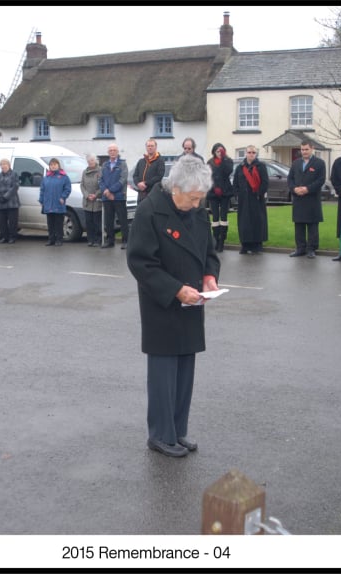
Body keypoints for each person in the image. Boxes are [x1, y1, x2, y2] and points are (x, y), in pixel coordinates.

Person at [126, 155, 220, 458]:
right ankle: (160, 435)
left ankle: (178, 432)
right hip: (163, 303)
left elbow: (209, 251)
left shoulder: (196, 209)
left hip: (193, 300)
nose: (196, 205)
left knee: (184, 372)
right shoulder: (149, 212)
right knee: (164, 373)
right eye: (192, 199)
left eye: (200, 199)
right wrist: (176, 290)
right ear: (175, 188)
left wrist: (209, 276)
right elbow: (140, 262)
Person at [287, 140, 326, 258]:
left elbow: (321, 180)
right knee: (299, 225)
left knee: (312, 225)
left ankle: (311, 249)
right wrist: (294, 189)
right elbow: (290, 179)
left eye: (306, 149)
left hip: (312, 199)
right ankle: (300, 248)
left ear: (312, 149)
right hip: (298, 199)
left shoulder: (319, 163)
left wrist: (307, 189)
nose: (304, 152)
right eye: (302, 150)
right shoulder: (296, 163)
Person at [232, 145, 269, 254]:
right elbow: (235, 183)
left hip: (257, 199)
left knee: (257, 221)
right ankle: (245, 245)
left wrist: (259, 193)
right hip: (244, 200)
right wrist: (237, 194)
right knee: (244, 222)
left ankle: (257, 245)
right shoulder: (240, 167)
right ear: (246, 153)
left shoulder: (261, 166)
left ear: (256, 154)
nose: (251, 154)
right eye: (249, 152)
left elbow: (265, 182)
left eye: (253, 152)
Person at [99, 144, 129, 248]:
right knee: (108, 220)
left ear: (117, 152)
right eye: (110, 150)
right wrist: (106, 192)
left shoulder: (122, 164)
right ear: (108, 152)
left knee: (122, 219)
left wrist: (111, 191)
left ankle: (126, 241)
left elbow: (122, 180)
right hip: (106, 197)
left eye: (114, 150)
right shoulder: (104, 165)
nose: (112, 152)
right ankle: (110, 241)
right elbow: (101, 180)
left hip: (119, 196)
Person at [206, 143, 235, 252]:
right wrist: (214, 188)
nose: (219, 153)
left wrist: (223, 159)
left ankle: (222, 241)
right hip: (213, 192)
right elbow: (208, 177)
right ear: (214, 152)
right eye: (217, 151)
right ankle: (216, 239)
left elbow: (228, 171)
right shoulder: (210, 162)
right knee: (215, 217)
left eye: (221, 151)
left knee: (223, 217)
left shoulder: (228, 161)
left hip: (225, 192)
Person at [38, 158, 71, 246]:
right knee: (50, 223)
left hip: (58, 203)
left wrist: (63, 197)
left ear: (58, 166)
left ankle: (59, 239)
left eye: (55, 165)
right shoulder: (46, 178)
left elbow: (67, 189)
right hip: (48, 204)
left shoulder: (64, 177)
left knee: (59, 223)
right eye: (51, 165)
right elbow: (42, 190)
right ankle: (51, 239)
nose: (53, 166)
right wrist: (41, 200)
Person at [0, 158, 20, 244]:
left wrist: (5, 197)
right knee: (2, 222)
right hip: (0, 203)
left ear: (9, 165)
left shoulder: (14, 174)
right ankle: (4, 237)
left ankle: (12, 237)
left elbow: (15, 187)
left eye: (5, 164)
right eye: (2, 165)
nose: (3, 166)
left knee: (12, 222)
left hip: (12, 202)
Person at [132, 139, 165, 203]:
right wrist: (138, 184)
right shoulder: (141, 161)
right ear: (146, 147)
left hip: (153, 192)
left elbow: (159, 176)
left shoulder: (160, 161)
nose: (150, 147)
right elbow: (135, 175)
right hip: (141, 193)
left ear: (156, 147)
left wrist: (145, 183)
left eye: (152, 146)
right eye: (148, 146)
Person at [80, 154, 102, 247]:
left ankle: (98, 240)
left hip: (97, 201)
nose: (90, 162)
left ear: (95, 161)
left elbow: (102, 185)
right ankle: (90, 239)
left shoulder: (100, 171)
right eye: (89, 161)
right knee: (88, 222)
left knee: (97, 222)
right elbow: (82, 185)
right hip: (87, 201)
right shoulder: (85, 172)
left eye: (92, 160)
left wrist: (96, 195)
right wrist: (87, 195)